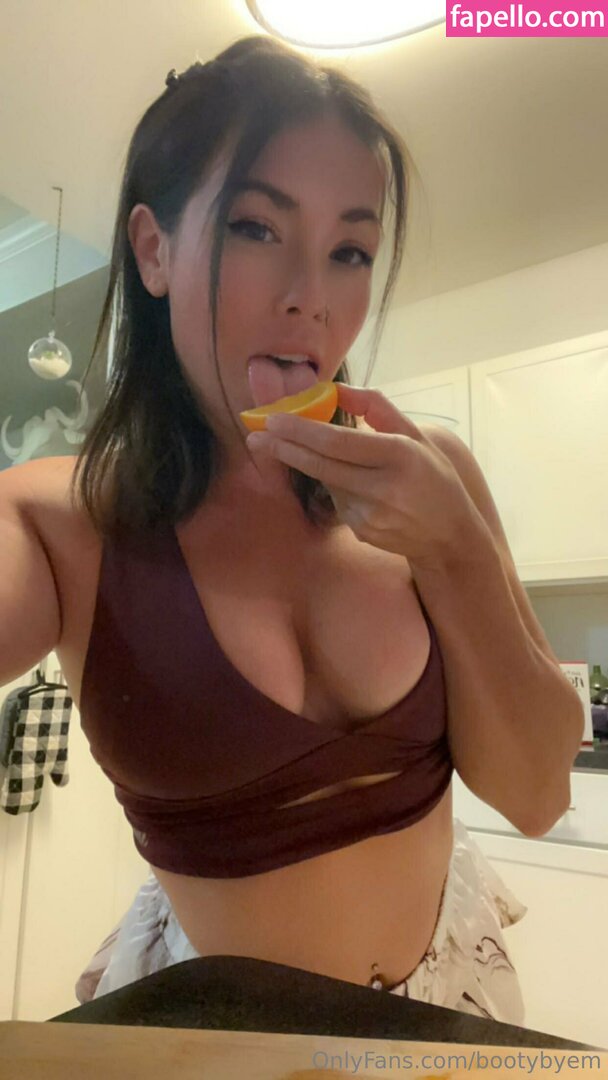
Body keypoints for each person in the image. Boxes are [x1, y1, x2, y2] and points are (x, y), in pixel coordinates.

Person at [2, 35, 583, 1023]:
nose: (310, 296)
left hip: (445, 1013)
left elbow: (536, 795)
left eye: (350, 250)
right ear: (153, 249)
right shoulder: (57, 520)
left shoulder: (432, 476)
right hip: (215, 1038)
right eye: (256, 228)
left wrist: (453, 549)